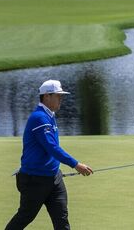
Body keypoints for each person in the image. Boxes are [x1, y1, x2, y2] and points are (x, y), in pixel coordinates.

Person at [6, 80, 93, 230]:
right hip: (35, 180)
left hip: (54, 178)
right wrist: (76, 164)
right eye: (58, 96)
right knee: (25, 216)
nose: (61, 99)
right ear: (47, 96)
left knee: (61, 220)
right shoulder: (39, 118)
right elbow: (52, 148)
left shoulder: (49, 115)